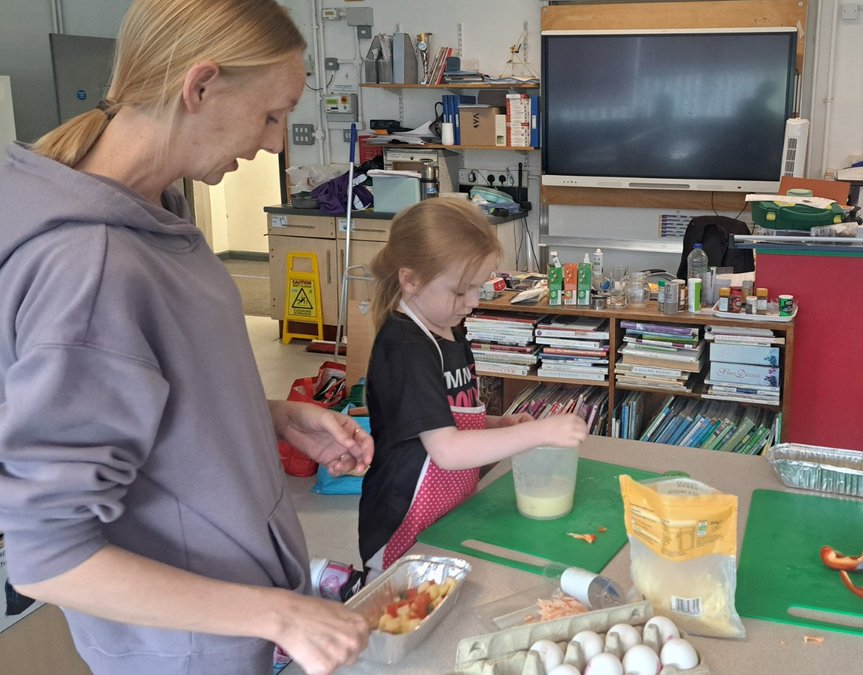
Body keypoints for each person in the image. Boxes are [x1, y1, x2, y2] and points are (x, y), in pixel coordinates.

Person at [0, 1, 374, 674]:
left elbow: (142, 394)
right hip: (186, 650)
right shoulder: (93, 266)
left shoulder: (155, 212)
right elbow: (49, 556)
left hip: (230, 620)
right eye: (271, 115)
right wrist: (278, 614)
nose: (276, 144)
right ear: (199, 86)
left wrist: (268, 417)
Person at [358, 198, 589, 573]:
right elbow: (447, 450)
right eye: (460, 291)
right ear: (410, 279)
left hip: (448, 512)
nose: (473, 302)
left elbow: (446, 415)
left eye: (478, 287)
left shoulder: (449, 328)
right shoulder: (406, 349)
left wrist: (499, 425)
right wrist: (539, 433)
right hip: (404, 524)